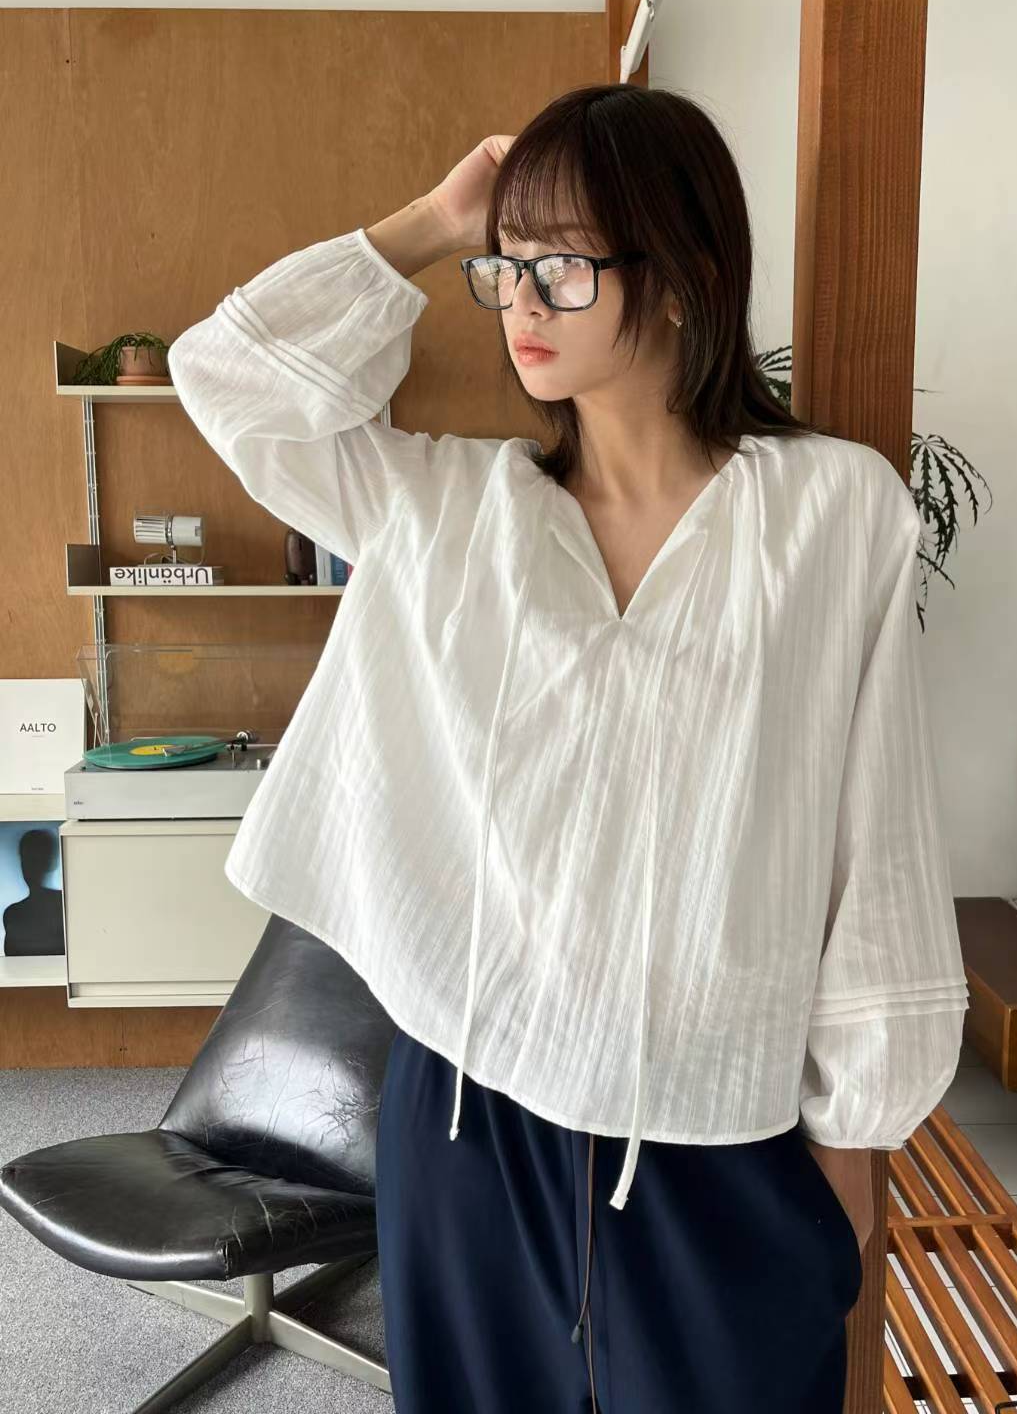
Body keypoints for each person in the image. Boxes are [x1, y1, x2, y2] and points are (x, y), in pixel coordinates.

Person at [167, 82, 969, 1414]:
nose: (521, 301)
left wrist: (856, 1145)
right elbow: (226, 379)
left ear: (685, 274)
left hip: (721, 1133)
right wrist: (437, 220)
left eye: (564, 264)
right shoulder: (446, 510)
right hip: (470, 1120)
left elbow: (873, 840)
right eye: (506, 265)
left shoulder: (832, 514)